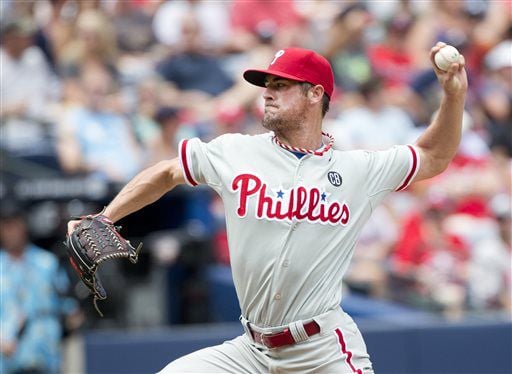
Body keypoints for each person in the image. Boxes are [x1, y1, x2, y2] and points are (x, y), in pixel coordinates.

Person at [68, 43, 467, 373]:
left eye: (282, 84)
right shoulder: (235, 151)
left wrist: (453, 96)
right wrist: (105, 216)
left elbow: (434, 155)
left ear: (315, 94)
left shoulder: (357, 169)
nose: (267, 92)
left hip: (322, 352)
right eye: (266, 84)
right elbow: (167, 173)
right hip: (251, 352)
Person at [1, 201, 82, 374]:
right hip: (8, 358)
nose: (11, 231)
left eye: (15, 224)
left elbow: (69, 308)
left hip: (45, 354)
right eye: (6, 225)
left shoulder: (47, 263)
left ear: (24, 226)